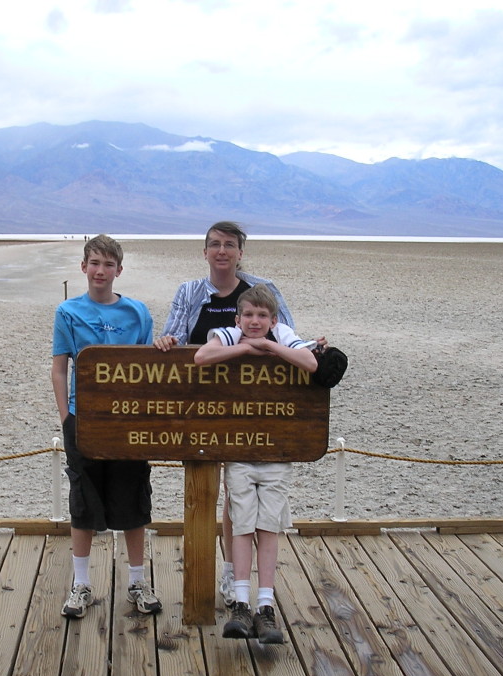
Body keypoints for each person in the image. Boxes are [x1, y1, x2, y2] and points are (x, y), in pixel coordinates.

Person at [153, 221, 299, 608]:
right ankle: (222, 576)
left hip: (248, 405)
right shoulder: (189, 292)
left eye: (229, 245)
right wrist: (166, 340)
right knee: (206, 486)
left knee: (236, 496)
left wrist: (311, 347)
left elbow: (286, 335)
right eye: (215, 244)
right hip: (199, 402)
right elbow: (175, 337)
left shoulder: (259, 291)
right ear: (205, 251)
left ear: (240, 252)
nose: (222, 251)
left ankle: (232, 574)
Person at [192, 284, 317, 643]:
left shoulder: (284, 335)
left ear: (273, 319)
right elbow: (202, 357)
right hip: (239, 449)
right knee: (243, 523)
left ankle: (266, 605)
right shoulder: (229, 334)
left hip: (275, 450)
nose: (255, 321)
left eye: (262, 316)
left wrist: (269, 346)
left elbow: (310, 363)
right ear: (238, 318)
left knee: (268, 527)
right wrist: (246, 347)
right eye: (248, 315)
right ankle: (241, 604)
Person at [52, 234, 162, 619]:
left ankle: (137, 581)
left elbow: (148, 367)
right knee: (83, 501)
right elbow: (59, 366)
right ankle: (81, 584)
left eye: (108, 264)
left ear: (119, 270)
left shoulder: (137, 313)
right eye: (94, 263)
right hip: (84, 419)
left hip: (128, 421)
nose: (101, 271)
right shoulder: (67, 312)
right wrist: (67, 417)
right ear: (84, 267)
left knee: (132, 498)